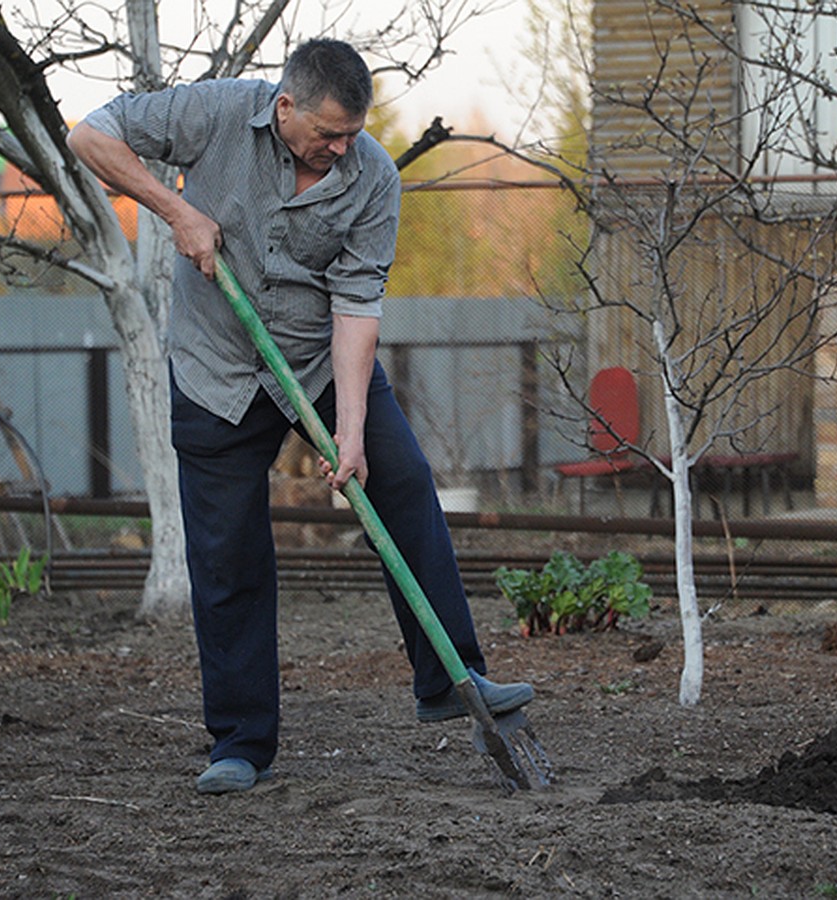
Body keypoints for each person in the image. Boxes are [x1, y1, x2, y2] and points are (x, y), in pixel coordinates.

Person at [67, 37, 533, 795]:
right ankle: (240, 743)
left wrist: (349, 433)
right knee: (227, 555)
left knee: (405, 486)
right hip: (216, 368)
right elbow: (89, 135)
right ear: (285, 107)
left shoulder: (373, 176)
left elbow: (356, 308)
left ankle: (452, 679)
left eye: (352, 133)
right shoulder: (215, 112)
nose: (342, 148)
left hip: (316, 362)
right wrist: (178, 212)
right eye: (327, 134)